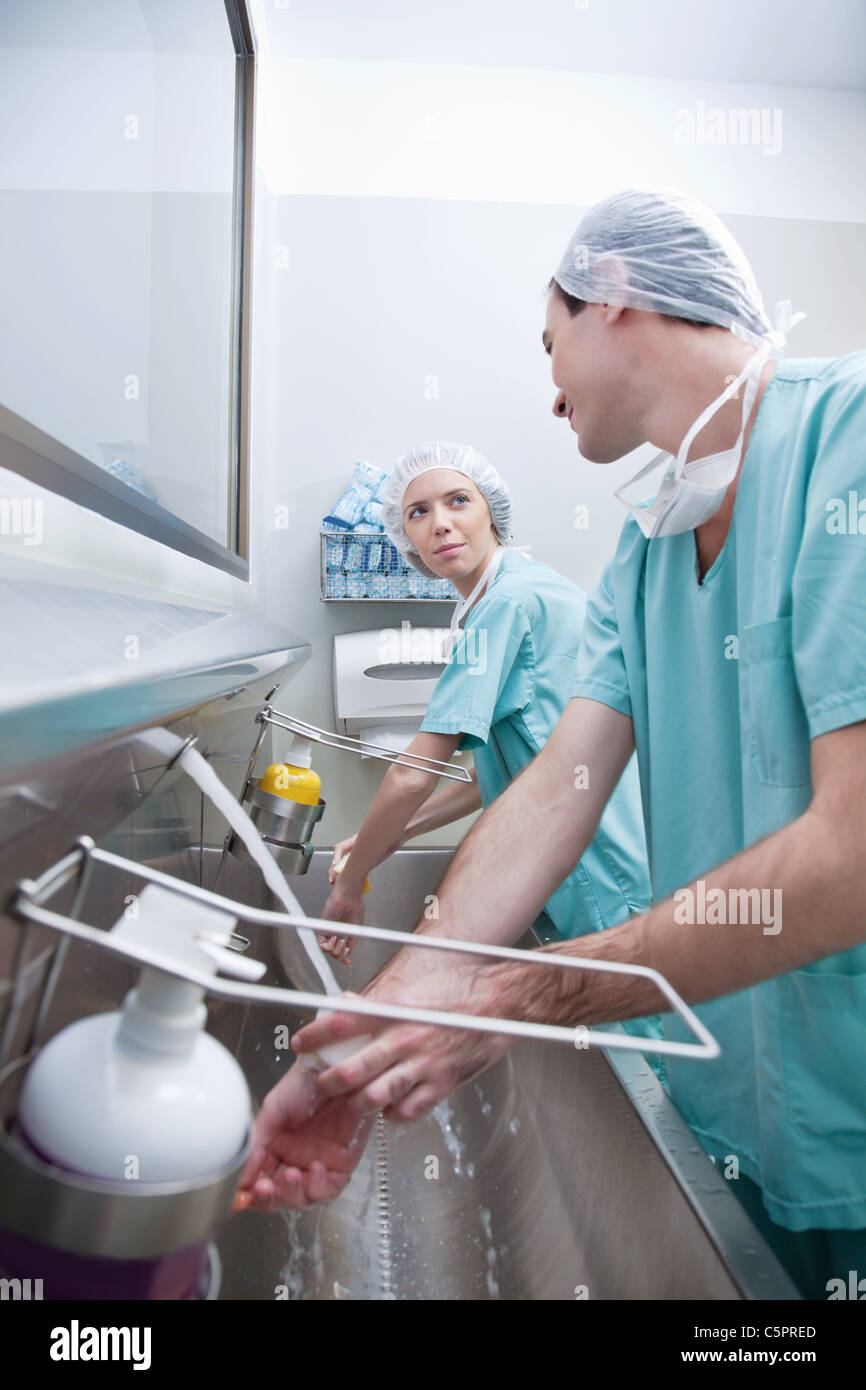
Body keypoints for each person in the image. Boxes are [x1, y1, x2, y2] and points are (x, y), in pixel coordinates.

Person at [241, 188, 866, 1301]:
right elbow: (550, 788)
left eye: (550, 342)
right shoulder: (644, 549)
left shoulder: (846, 448)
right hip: (731, 1103)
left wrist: (514, 998)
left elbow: (851, 852)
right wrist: (388, 1021)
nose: (546, 389)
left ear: (613, 294)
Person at [234, 439, 661, 1212]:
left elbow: (410, 773)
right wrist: (373, 847)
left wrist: (356, 878)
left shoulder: (507, 605)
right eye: (417, 513)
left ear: (491, 510)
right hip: (593, 866)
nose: (439, 524)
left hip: (604, 870)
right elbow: (476, 775)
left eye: (456, 501)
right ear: (404, 542)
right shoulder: (500, 599)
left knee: (656, 1089)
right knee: (642, 1064)